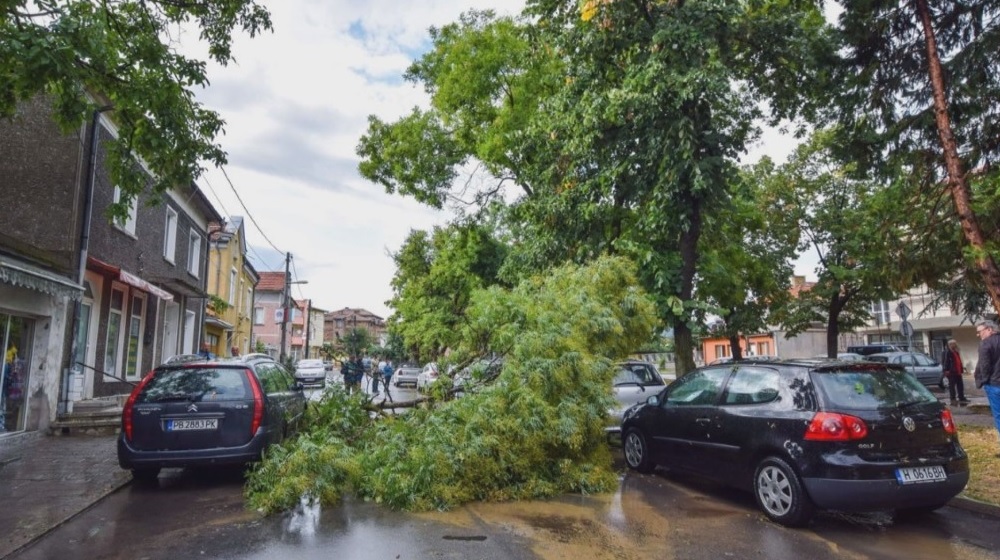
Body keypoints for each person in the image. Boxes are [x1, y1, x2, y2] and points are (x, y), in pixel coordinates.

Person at [974, 320, 1000, 452]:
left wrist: (982, 380)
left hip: (994, 385)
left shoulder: (985, 344)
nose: (979, 335)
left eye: (980, 331)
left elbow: (985, 365)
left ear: (989, 329)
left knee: (999, 416)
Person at [941, 339, 968, 404]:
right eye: (954, 344)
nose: (955, 345)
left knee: (960, 385)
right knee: (952, 386)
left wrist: (961, 368)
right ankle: (953, 398)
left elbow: (958, 361)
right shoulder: (947, 352)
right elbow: (945, 362)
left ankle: (961, 397)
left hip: (958, 371)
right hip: (951, 372)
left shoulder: (956, 352)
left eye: (955, 343)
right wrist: (946, 370)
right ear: (950, 345)